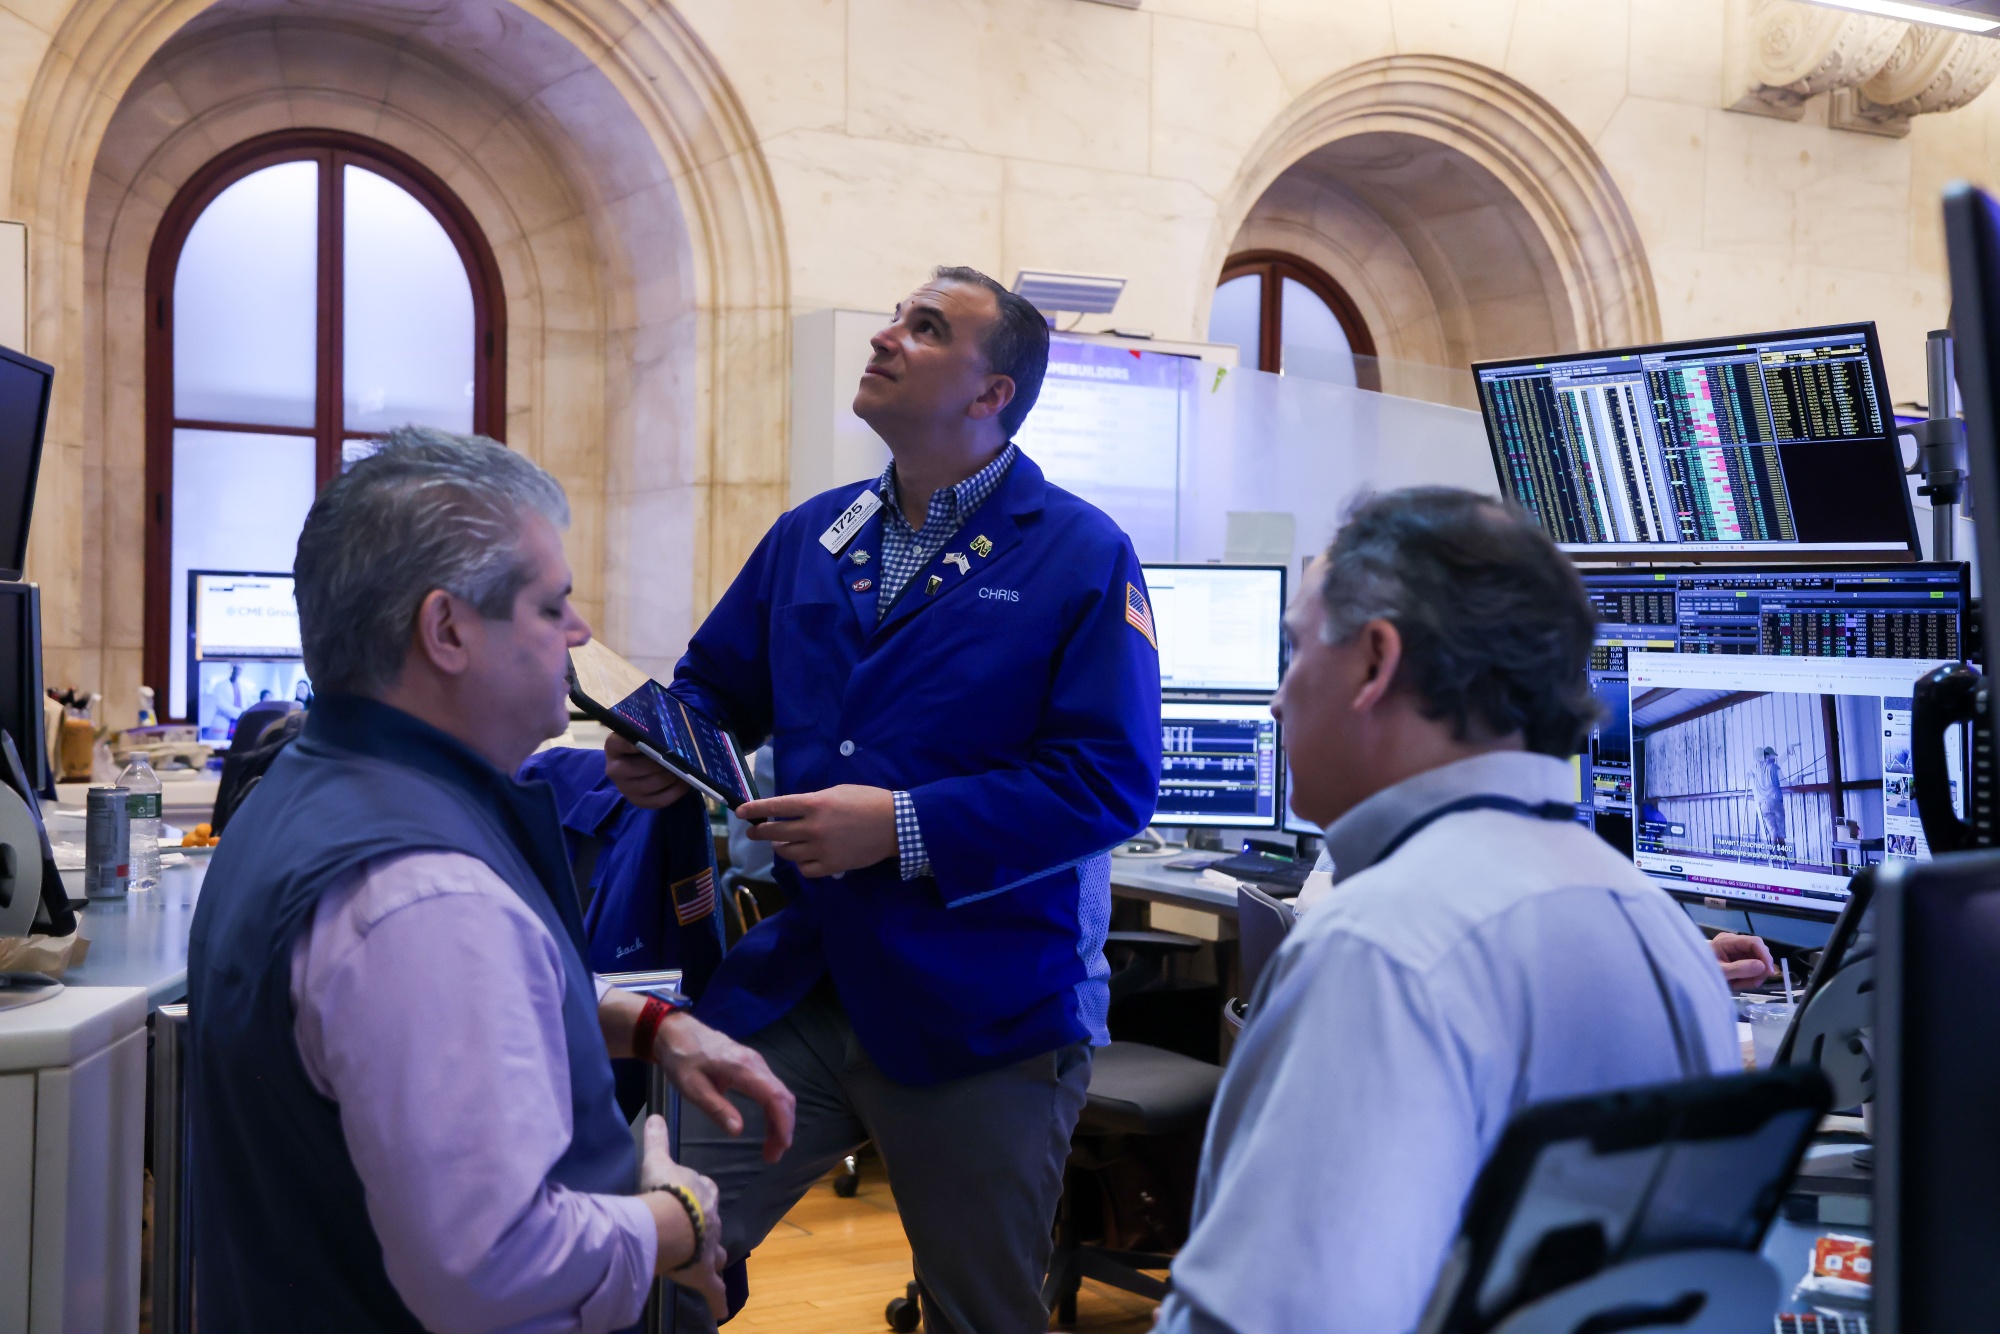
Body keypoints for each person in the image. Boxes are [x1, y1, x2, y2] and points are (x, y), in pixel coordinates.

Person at [607, 265, 1162, 1333]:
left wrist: (902, 827)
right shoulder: (815, 533)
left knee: (978, 1313)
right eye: (894, 317)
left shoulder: (1081, 555)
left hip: (982, 1009)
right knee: (645, 1265)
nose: (884, 337)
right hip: (803, 985)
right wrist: (662, 750)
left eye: (924, 327)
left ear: (990, 393)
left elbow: (1106, 780)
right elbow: (713, 688)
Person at [186, 428, 798, 1333]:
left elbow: (425, 1021)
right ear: (447, 630)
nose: (581, 634)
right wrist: (683, 1216)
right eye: (554, 607)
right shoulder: (426, 896)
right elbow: (497, 1266)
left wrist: (651, 1026)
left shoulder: (319, 787)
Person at [1153, 489, 1741, 1334]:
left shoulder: (1383, 947)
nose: (1278, 701)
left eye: (1292, 651)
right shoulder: (1656, 927)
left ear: (1374, 663)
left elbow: (1270, 1320)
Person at [1752, 744, 1788, 850]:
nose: (1775, 758)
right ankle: (1783, 858)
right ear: (1767, 756)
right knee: (1780, 832)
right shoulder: (1775, 767)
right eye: (1773, 756)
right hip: (1776, 802)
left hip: (1764, 805)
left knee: (1772, 832)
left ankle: (1775, 856)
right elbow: (1785, 784)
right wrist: (1798, 779)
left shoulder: (1757, 771)